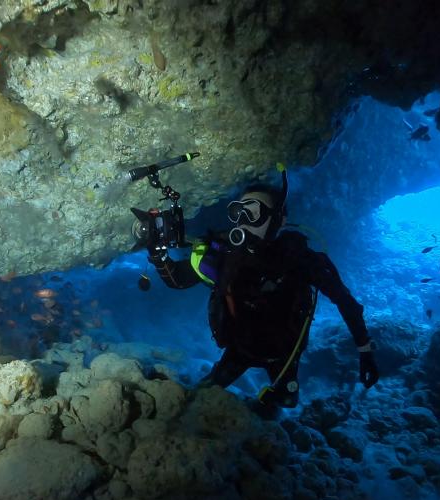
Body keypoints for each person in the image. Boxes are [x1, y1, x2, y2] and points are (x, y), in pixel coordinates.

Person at [147, 168, 379, 415]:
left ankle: (269, 405)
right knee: (202, 397)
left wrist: (365, 351)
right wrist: (158, 255)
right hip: (240, 348)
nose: (244, 220)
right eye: (239, 212)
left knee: (284, 403)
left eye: (254, 213)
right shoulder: (224, 255)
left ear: (279, 220)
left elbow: (346, 302)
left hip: (282, 355)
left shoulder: (300, 260)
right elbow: (178, 279)